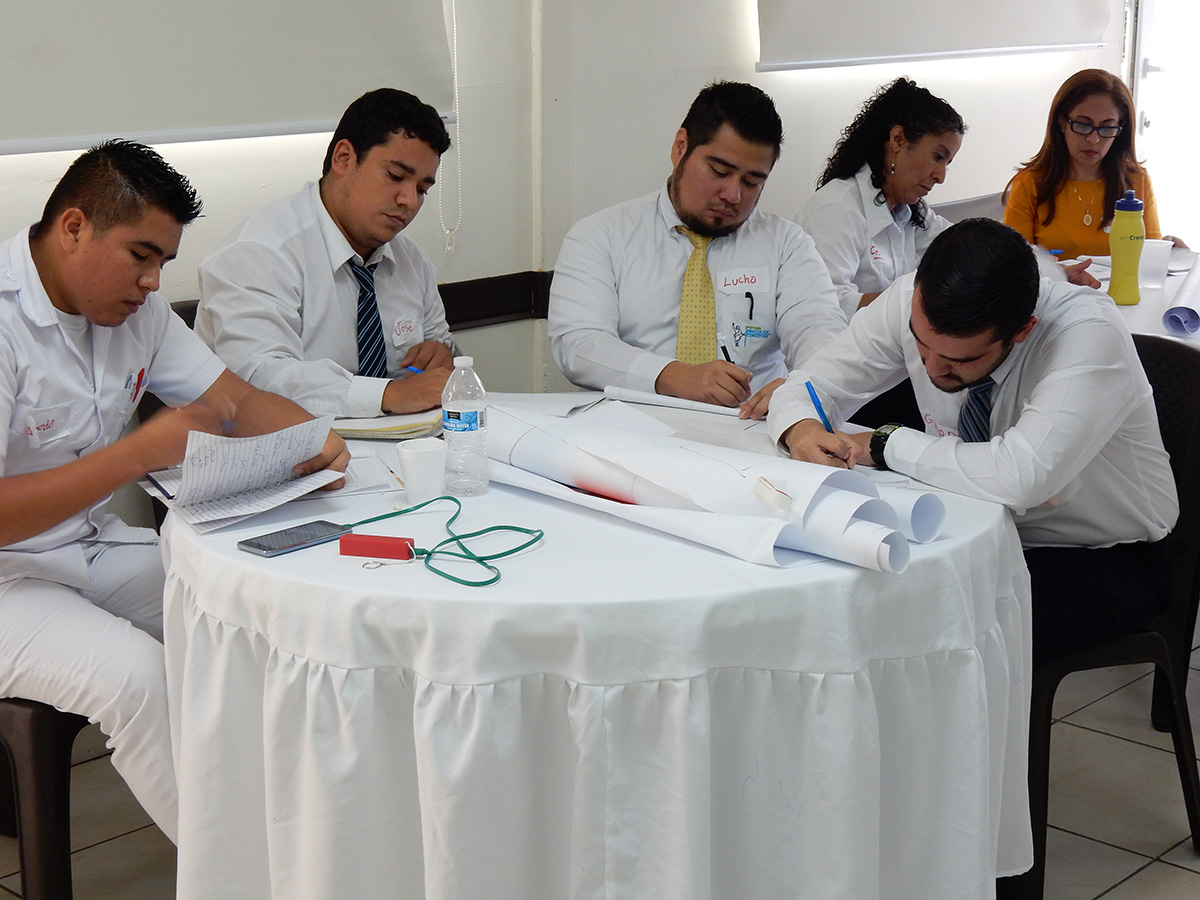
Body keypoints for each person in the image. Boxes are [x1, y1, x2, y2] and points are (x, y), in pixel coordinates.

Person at [0, 140, 349, 842]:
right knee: (136, 679)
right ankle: (246, 876)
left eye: (164, 261)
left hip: (85, 550)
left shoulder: (138, 313)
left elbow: (233, 401)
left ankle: (311, 829)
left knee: (247, 604)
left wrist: (315, 439)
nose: (153, 282)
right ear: (74, 228)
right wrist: (136, 454)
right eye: (141, 255)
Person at [769, 218, 1177, 666]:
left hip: (1097, 554)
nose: (932, 368)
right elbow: (806, 384)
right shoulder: (911, 299)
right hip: (967, 527)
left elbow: (1021, 477)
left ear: (1022, 330)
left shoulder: (1087, 331)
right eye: (921, 345)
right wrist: (800, 427)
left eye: (958, 360)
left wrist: (887, 444)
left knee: (922, 635)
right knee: (835, 591)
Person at [548, 81, 846, 420]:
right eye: (719, 171)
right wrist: (673, 376)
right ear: (680, 148)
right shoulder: (601, 236)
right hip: (631, 426)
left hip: (747, 428)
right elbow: (578, 343)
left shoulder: (787, 244)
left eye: (752, 182)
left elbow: (818, 327)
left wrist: (806, 384)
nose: (733, 195)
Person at [197, 88, 457, 419]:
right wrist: (386, 395)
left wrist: (442, 356)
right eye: (395, 176)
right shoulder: (259, 251)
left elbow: (442, 347)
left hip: (395, 441)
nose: (409, 200)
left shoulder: (411, 261)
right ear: (344, 158)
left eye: (422, 189)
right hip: (267, 443)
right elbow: (258, 377)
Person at [799, 77, 964, 317]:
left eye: (947, 163)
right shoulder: (837, 207)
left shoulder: (910, 211)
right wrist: (918, 303)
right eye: (938, 157)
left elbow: (961, 248)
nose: (941, 176)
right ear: (898, 140)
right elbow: (826, 304)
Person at [1003, 68, 1183, 273]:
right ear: (1062, 122)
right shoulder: (1029, 183)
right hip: (1055, 291)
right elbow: (1013, 269)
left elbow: (1150, 260)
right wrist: (1058, 273)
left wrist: (1172, 255)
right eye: (1082, 125)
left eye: (1106, 128)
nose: (1093, 139)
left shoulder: (1136, 180)